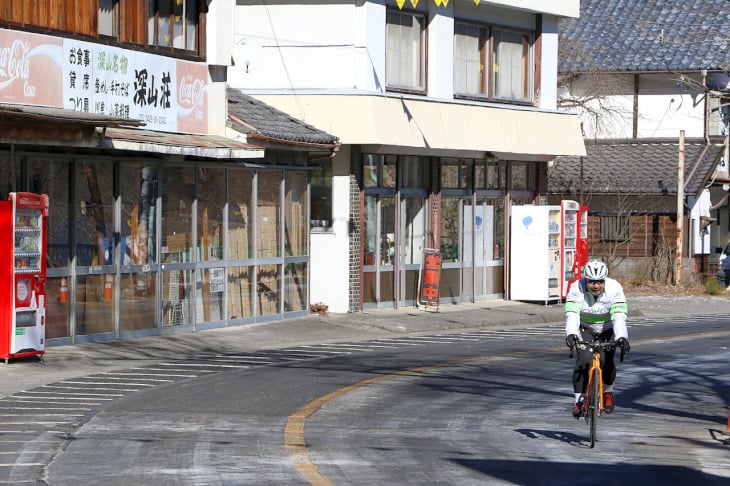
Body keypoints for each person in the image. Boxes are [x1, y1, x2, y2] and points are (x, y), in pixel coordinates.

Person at [565, 259, 630, 418]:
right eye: (591, 282)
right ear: (585, 280)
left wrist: (621, 336)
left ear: (605, 280)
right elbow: (572, 314)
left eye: (600, 282)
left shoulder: (615, 288)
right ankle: (579, 401)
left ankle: (608, 392)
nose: (595, 286)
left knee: (607, 362)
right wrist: (571, 333)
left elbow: (619, 316)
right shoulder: (576, 288)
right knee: (584, 361)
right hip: (585, 328)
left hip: (607, 330)